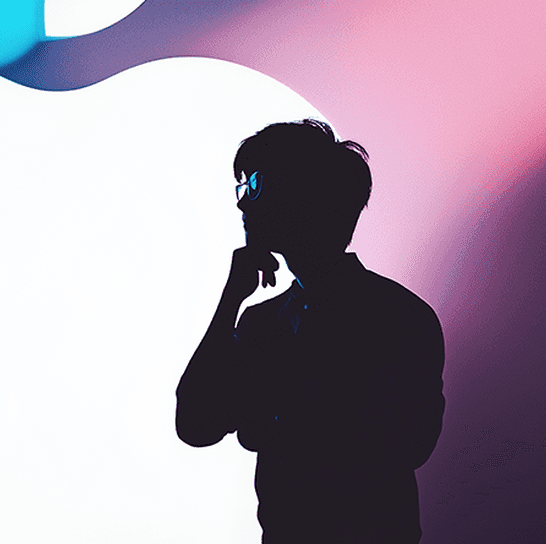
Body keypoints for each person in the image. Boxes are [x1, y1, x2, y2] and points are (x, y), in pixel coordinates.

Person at [175, 120, 446, 544]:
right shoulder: (262, 323)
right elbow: (195, 424)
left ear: (300, 193)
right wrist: (231, 299)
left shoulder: (398, 318)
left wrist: (276, 417)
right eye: (241, 185)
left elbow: (407, 446)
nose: (243, 203)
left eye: (256, 182)